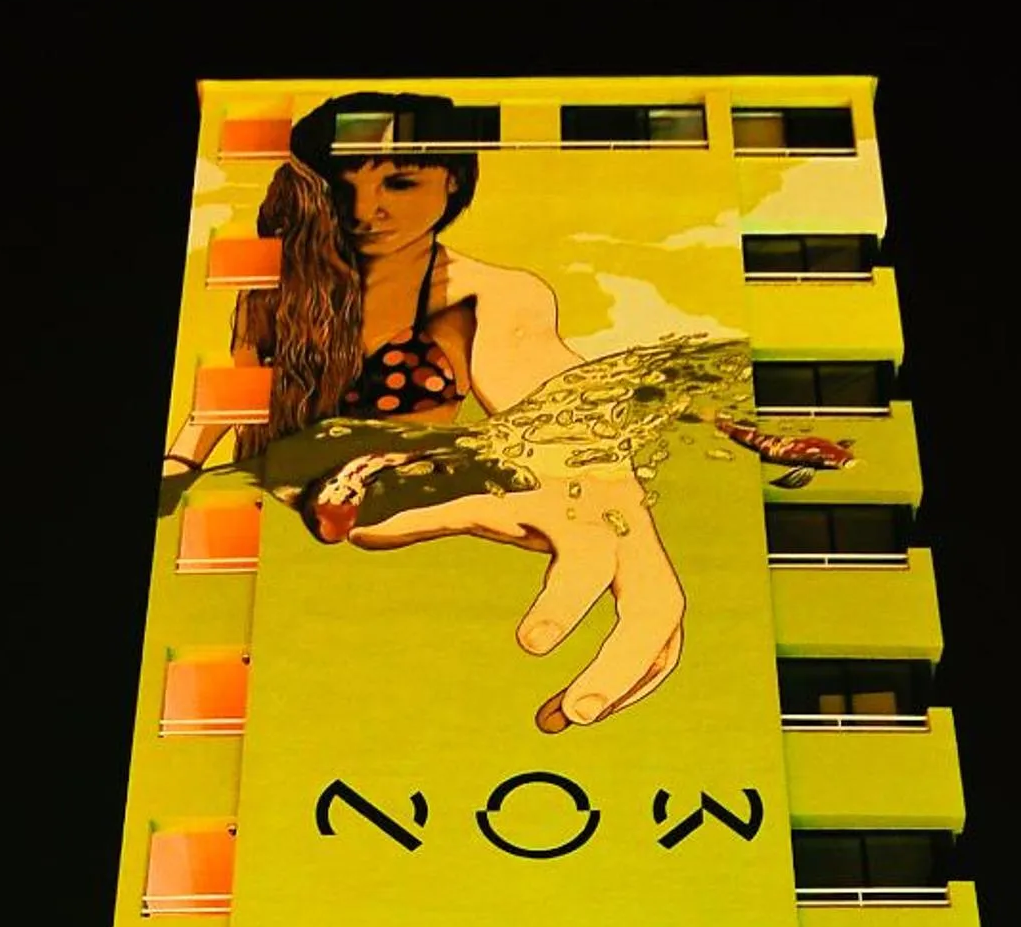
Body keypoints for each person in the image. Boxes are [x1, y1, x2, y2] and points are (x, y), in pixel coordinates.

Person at [165, 91, 685, 731]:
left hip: (394, 508)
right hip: (288, 519)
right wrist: (176, 473)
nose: (365, 210)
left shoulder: (490, 297)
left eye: (402, 182)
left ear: (454, 181)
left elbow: (567, 422)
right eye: (340, 183)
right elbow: (224, 402)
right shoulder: (277, 287)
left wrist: (628, 530)